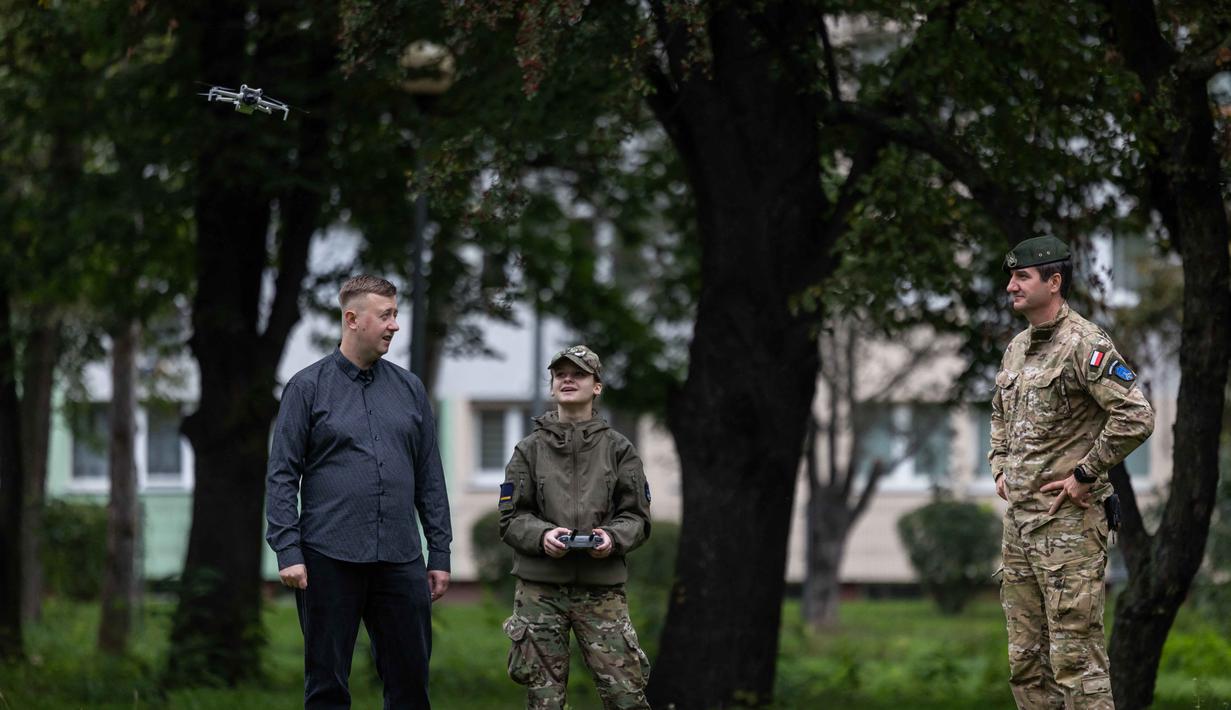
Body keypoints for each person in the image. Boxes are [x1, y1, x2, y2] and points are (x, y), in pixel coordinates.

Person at [266, 275, 452, 709]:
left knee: (410, 685)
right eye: (385, 315)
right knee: (327, 688)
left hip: (401, 558)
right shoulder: (306, 388)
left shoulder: (409, 389)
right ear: (352, 319)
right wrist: (287, 550)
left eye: (396, 314)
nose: (395, 325)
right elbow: (281, 475)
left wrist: (439, 553)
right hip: (328, 557)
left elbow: (430, 476)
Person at [990, 237, 1155, 709]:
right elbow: (999, 413)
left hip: (1069, 527)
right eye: (1012, 277)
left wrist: (1086, 473)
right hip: (1020, 527)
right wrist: (1000, 465)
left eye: (1022, 277)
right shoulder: (1017, 349)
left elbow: (1136, 416)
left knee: (1075, 663)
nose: (1010, 287)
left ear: (1054, 282)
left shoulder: (1085, 344)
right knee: (1026, 662)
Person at [498, 345, 653, 709]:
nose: (568, 380)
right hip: (540, 592)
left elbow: (638, 518)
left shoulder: (619, 449)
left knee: (626, 697)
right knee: (544, 701)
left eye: (578, 374)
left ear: (596, 386)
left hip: (601, 591)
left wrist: (611, 538)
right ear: (552, 386)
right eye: (560, 374)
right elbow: (510, 518)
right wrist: (542, 536)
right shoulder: (528, 450)